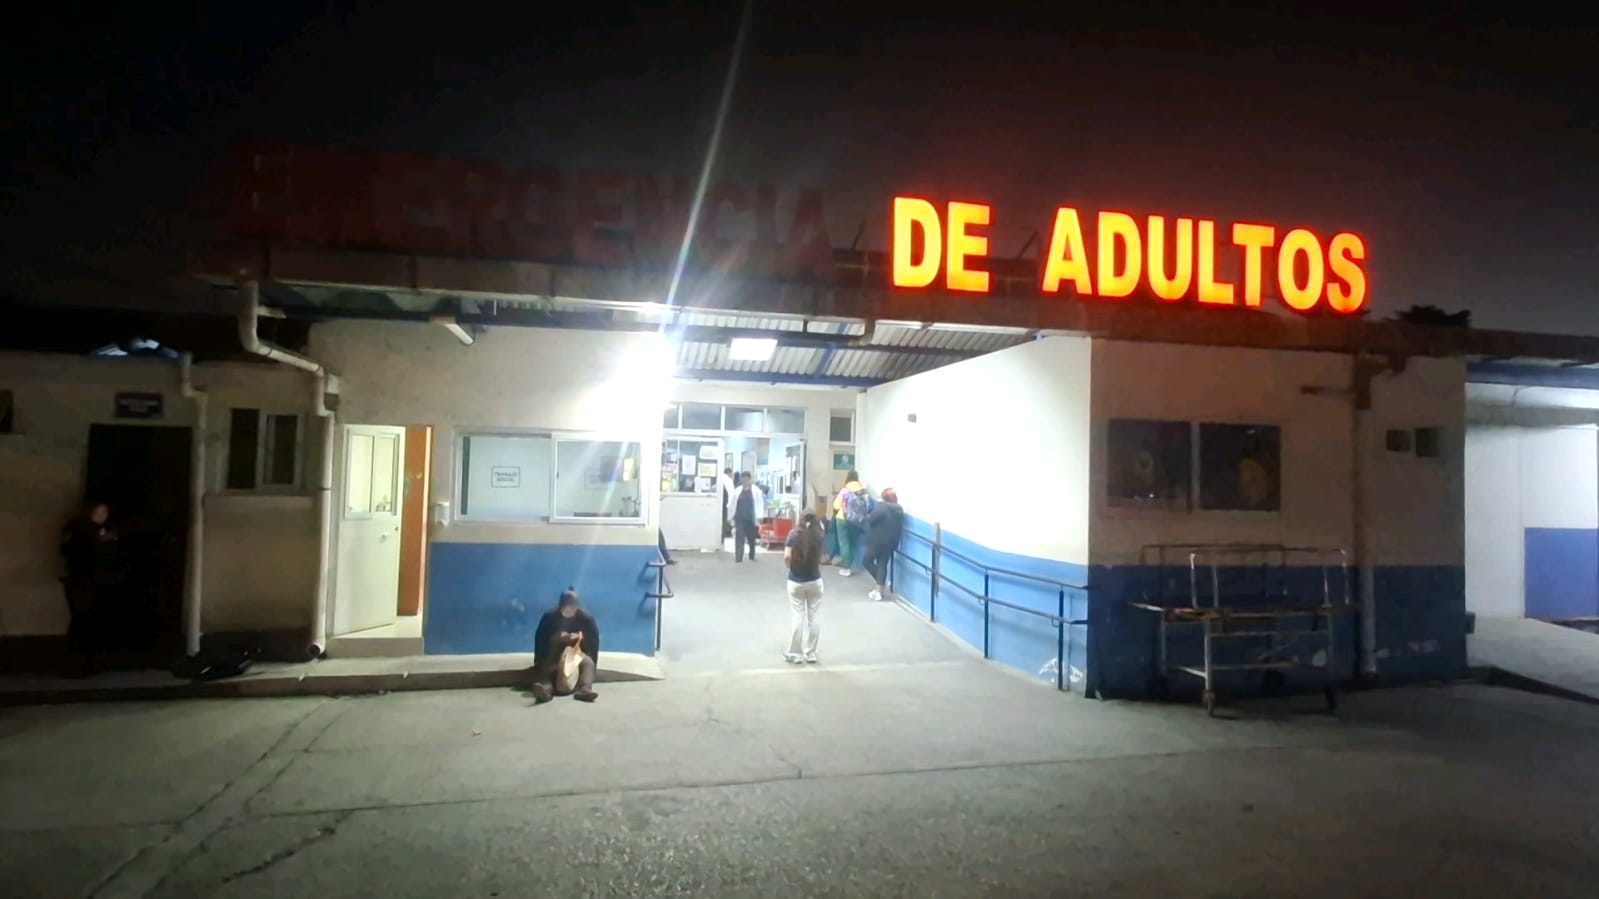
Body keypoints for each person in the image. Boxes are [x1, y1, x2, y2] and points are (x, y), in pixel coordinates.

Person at [59, 501, 120, 675]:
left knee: (91, 623)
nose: (102, 516)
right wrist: (99, 542)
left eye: (105, 512)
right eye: (98, 512)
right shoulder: (78, 529)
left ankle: (89, 663)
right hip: (80, 580)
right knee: (81, 621)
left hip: (96, 581)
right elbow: (71, 552)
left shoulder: (105, 530)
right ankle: (75, 664)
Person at [530, 588, 600, 703]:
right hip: (555, 654)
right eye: (565, 606)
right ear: (560, 606)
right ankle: (545, 690)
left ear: (577, 606)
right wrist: (540, 661)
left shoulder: (586, 619)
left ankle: (584, 690)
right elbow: (540, 640)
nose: (568, 610)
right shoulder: (549, 618)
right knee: (548, 669)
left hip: (578, 654)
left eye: (571, 607)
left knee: (588, 664)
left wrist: (579, 639)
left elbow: (593, 643)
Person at [783, 511, 826, 664]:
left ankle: (795, 654)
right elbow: (821, 557)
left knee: (798, 616)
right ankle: (811, 653)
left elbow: (787, 556)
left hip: (796, 581)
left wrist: (790, 567)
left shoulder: (793, 535)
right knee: (814, 617)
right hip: (815, 581)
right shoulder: (819, 536)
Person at [862, 488, 906, 601]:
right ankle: (879, 591)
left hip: (877, 541)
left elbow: (871, 520)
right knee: (882, 564)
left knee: (866, 561)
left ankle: (880, 583)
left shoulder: (882, 508)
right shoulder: (899, 510)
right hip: (891, 542)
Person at [834, 472, 869, 576]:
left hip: (843, 519)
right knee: (853, 543)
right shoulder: (863, 491)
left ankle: (846, 568)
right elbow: (867, 506)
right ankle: (852, 565)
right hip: (857, 521)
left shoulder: (845, 490)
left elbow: (836, 506)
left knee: (844, 543)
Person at [730, 471, 764, 563]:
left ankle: (751, 554)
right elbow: (732, 504)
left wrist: (760, 515)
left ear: (750, 479)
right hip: (739, 517)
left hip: (750, 518)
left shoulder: (756, 491)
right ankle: (738, 557)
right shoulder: (737, 490)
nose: (745, 481)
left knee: (751, 538)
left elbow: (760, 503)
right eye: (743, 479)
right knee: (739, 537)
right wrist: (730, 516)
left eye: (746, 479)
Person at [718, 467, 736, 542]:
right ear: (729, 473)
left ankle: (719, 537)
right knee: (724, 521)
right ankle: (722, 537)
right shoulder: (728, 480)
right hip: (725, 504)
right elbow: (732, 495)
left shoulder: (719, 477)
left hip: (718, 503)